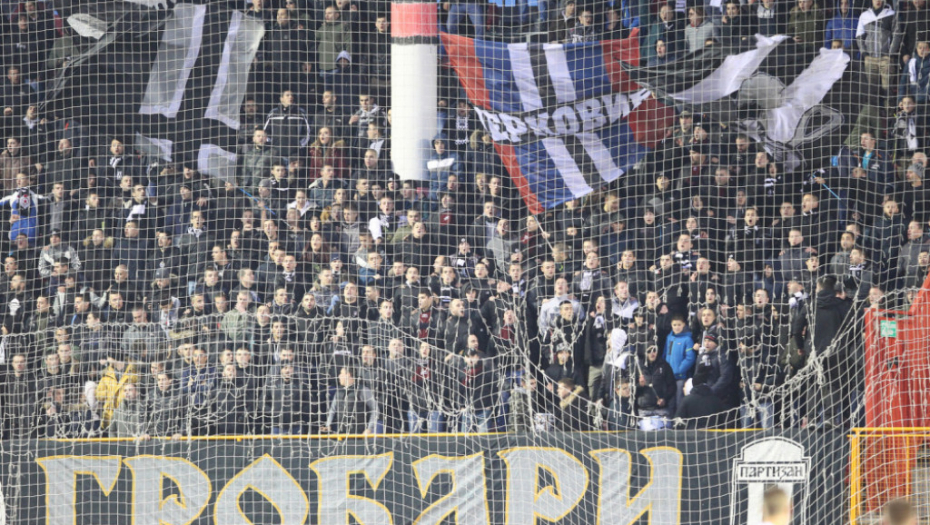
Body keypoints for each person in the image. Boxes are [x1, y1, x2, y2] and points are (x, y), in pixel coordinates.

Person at [324, 366, 379, 435]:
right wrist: (328, 425)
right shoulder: (338, 392)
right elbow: (332, 410)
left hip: (359, 435)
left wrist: (369, 428)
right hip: (341, 434)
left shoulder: (363, 390)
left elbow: (375, 410)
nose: (339, 376)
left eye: (341, 373)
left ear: (348, 375)